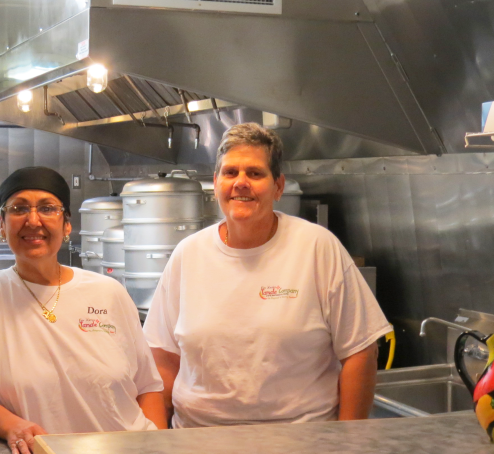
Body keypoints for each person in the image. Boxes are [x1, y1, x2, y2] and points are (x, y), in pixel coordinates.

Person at [144, 123, 391, 428]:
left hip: (300, 447)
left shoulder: (316, 247)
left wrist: (347, 443)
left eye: (255, 173)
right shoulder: (188, 254)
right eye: (230, 173)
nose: (241, 183)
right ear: (216, 182)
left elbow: (360, 351)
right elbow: (163, 359)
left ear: (278, 186)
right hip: (198, 445)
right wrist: (155, 444)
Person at [0, 166, 166, 454]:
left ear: (67, 226)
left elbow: (147, 387)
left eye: (48, 208)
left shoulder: (108, 291)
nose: (33, 220)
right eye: (19, 208)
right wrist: (14, 426)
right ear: (2, 225)